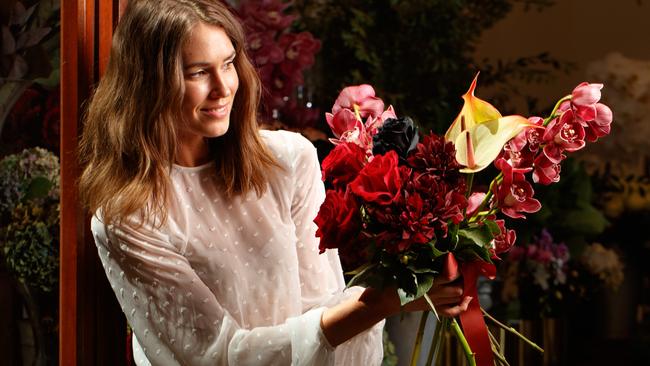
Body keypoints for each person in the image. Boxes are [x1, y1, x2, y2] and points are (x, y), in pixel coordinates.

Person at [78, 0, 471, 364]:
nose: (223, 87)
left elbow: (323, 306)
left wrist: (394, 287)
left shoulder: (287, 161)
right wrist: (378, 304)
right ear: (147, 84)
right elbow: (218, 356)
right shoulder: (126, 218)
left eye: (229, 63)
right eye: (198, 72)